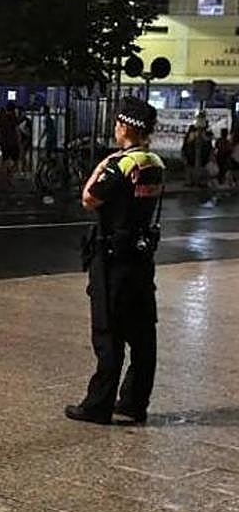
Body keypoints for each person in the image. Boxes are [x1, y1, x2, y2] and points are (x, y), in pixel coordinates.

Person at [65, 98, 165, 425]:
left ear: (124, 127)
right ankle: (135, 402)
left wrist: (101, 165)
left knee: (108, 331)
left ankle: (99, 404)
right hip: (141, 257)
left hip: (112, 259)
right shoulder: (155, 163)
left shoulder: (119, 164)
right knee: (142, 333)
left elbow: (89, 198)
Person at [0, 102, 22, 185]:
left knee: (5, 160)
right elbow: (17, 130)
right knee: (15, 160)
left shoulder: (2, 117)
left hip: (4, 142)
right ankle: (9, 176)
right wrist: (19, 141)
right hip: (13, 142)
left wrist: (0, 139)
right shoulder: (13, 117)